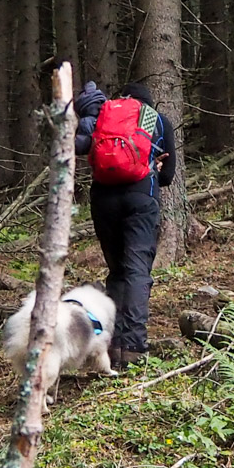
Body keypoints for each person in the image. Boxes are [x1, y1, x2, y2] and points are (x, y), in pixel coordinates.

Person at [73, 79, 176, 369]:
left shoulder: (104, 114)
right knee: (137, 271)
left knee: (117, 271)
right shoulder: (156, 119)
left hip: (103, 199)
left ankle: (111, 343)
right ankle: (132, 347)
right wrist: (154, 166)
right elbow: (167, 176)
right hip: (141, 197)